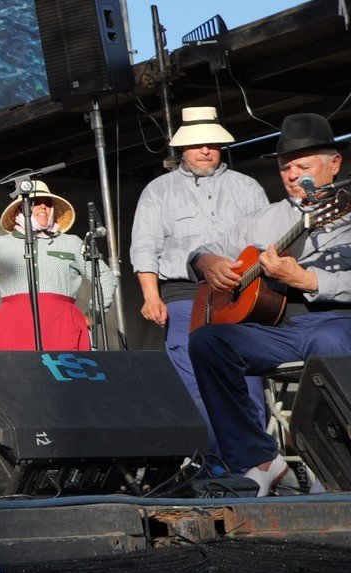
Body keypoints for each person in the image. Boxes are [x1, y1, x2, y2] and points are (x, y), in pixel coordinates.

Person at [188, 113, 351, 496]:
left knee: (329, 343)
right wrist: (206, 263)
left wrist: (305, 279)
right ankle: (258, 461)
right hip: (288, 332)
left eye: (303, 166)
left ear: (334, 164)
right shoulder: (262, 219)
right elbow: (205, 252)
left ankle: (345, 467)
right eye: (285, 167)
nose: (292, 175)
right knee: (208, 342)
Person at [130, 106, 271, 431]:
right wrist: (151, 297)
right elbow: (144, 246)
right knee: (194, 381)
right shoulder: (159, 190)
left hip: (240, 292)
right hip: (184, 295)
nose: (205, 150)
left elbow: (266, 241)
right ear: (183, 148)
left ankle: (257, 465)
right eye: (196, 144)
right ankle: (212, 467)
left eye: (211, 143)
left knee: (246, 381)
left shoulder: (247, 187)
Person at [0, 182, 117, 350]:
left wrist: (92, 315)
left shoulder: (72, 243)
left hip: (63, 328)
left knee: (64, 374)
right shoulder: (0, 245)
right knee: (16, 375)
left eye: (48, 203)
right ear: (20, 209)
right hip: (12, 328)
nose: (43, 206)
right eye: (36, 202)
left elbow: (105, 276)